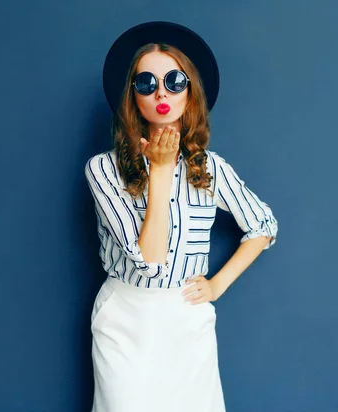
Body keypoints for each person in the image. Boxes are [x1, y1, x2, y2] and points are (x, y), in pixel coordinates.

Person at [84, 21, 278, 412]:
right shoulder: (103, 169)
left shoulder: (209, 167)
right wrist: (158, 170)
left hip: (186, 319)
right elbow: (150, 260)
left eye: (174, 81)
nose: (161, 93)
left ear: (190, 94)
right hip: (125, 316)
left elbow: (263, 225)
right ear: (132, 97)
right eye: (146, 83)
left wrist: (217, 285)